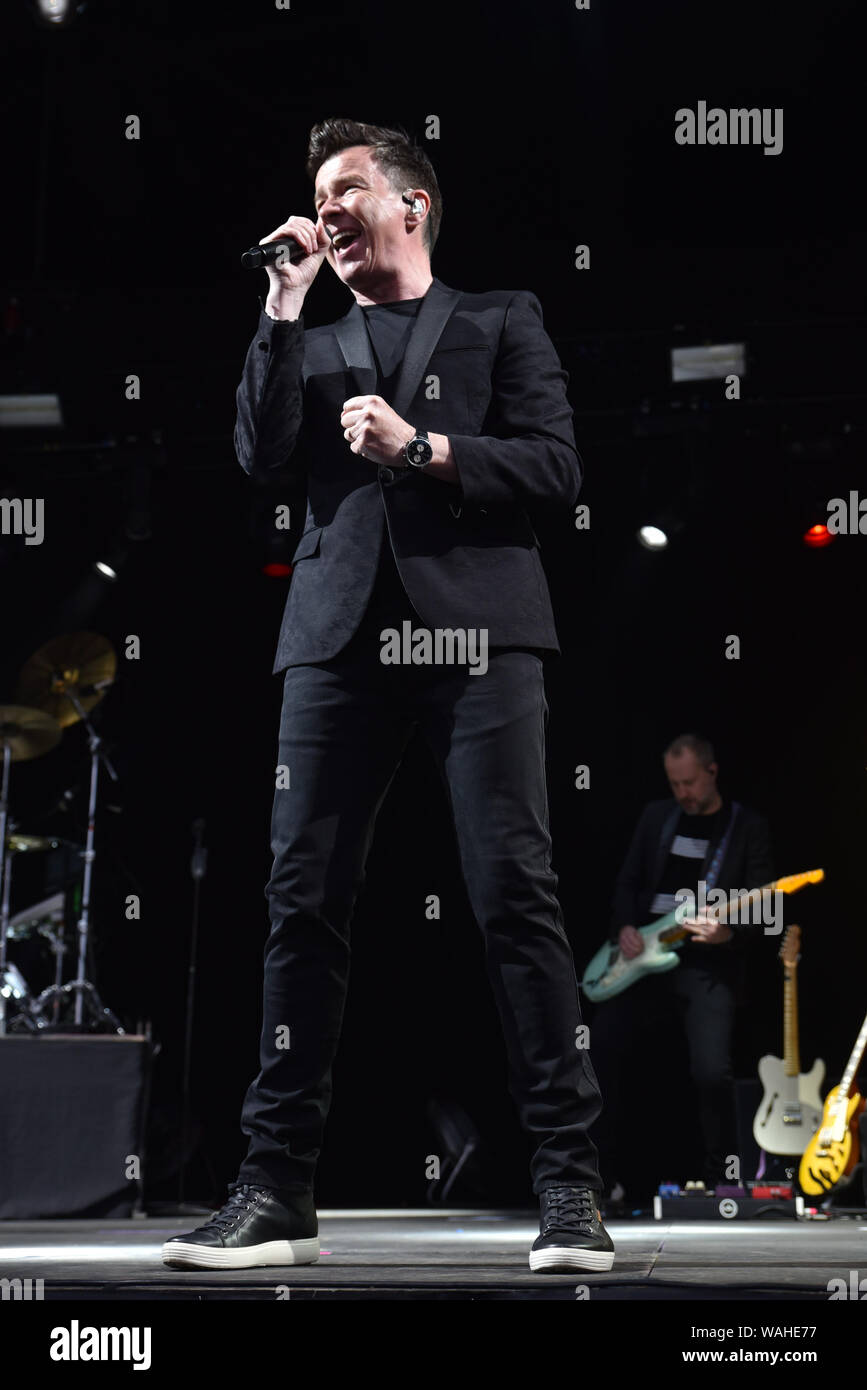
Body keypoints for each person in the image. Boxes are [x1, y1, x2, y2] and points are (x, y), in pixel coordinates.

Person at [162, 118, 613, 1275]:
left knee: (514, 890)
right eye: (316, 194)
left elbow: (558, 467)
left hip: (477, 630)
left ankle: (569, 1188)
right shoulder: (308, 342)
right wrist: (280, 305)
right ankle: (272, 1189)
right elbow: (259, 457)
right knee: (301, 899)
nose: (326, 208)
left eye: (345, 187)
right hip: (336, 638)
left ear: (411, 204)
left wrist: (424, 449)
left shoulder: (503, 317)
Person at [588, 734, 774, 1201]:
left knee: (712, 1070)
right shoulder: (658, 817)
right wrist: (625, 927)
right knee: (602, 1049)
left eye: (689, 782)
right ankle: (596, 1179)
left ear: (712, 772)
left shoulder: (745, 827)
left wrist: (728, 934)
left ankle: (721, 1181)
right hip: (640, 958)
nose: (683, 793)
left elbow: (765, 907)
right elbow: (628, 881)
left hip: (706, 962)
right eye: (674, 784)